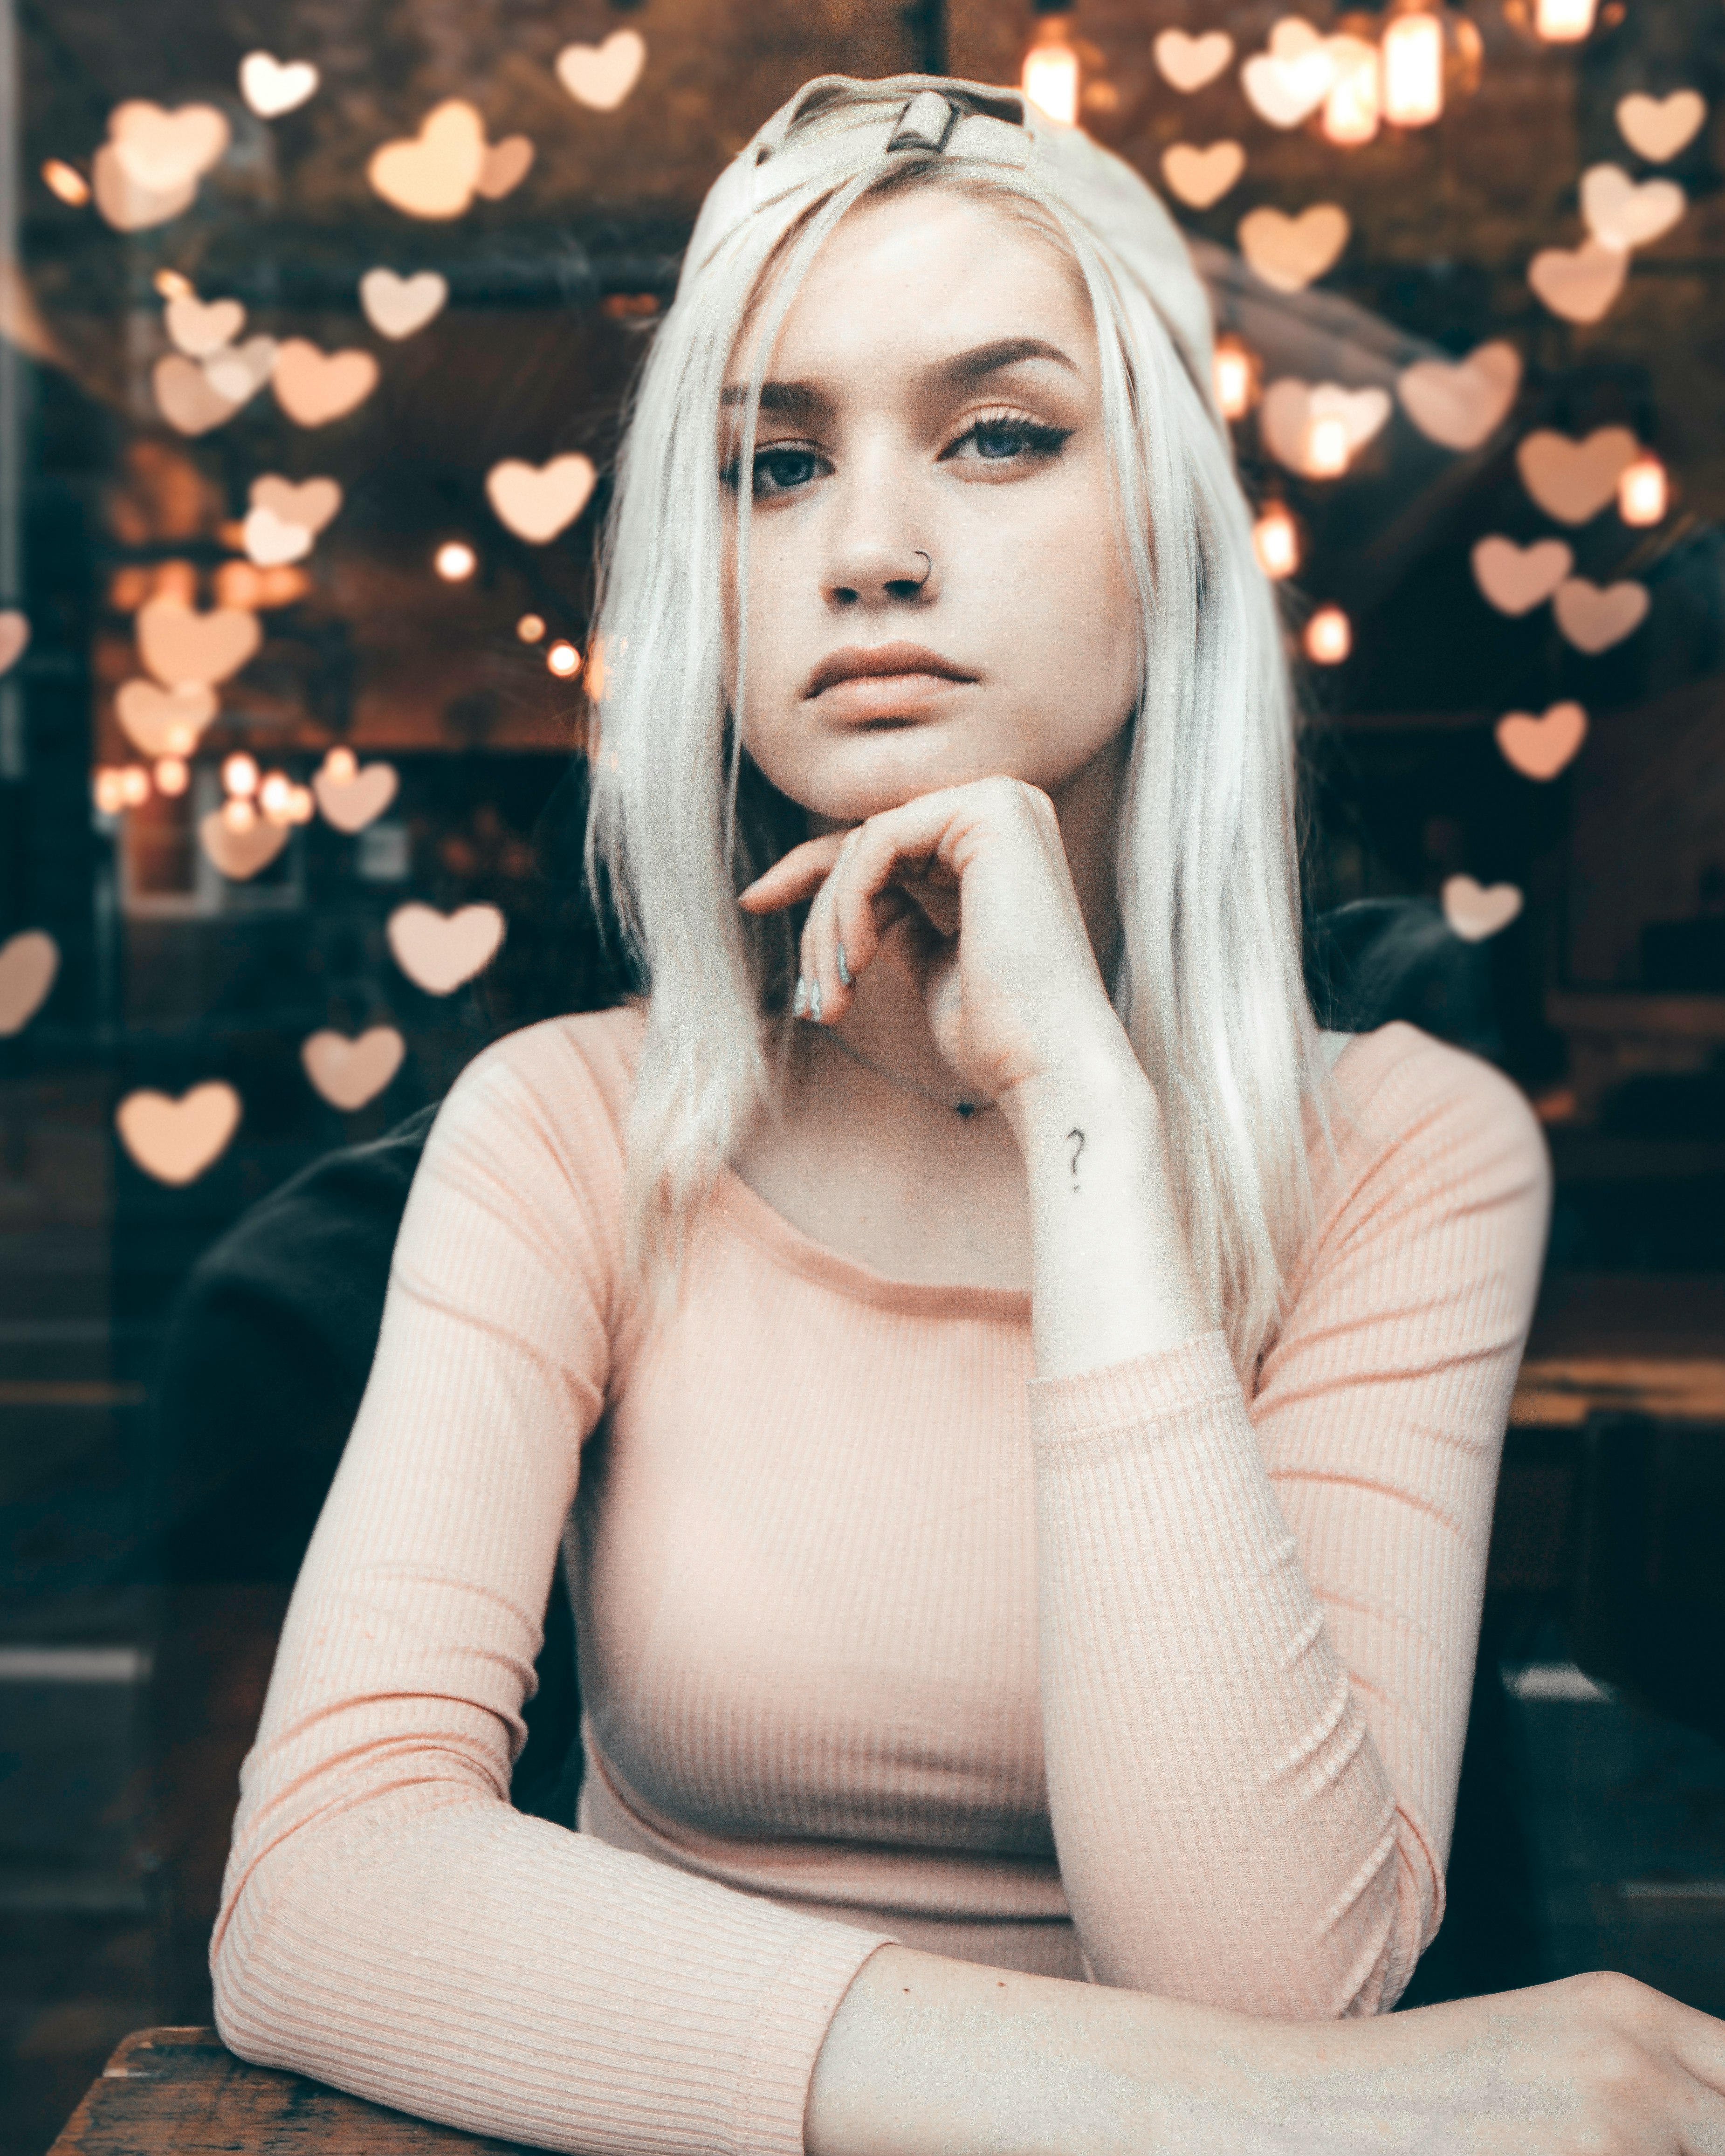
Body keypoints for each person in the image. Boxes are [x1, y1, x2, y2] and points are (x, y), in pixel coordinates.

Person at [210, 74, 1725, 2156]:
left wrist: (1078, 1104)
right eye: (771, 461)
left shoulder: (1405, 1149)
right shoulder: (562, 1125)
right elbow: (318, 1893)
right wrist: (1298, 2116)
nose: (869, 549)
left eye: (1000, 431)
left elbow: (1270, 1978)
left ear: (1167, 531)